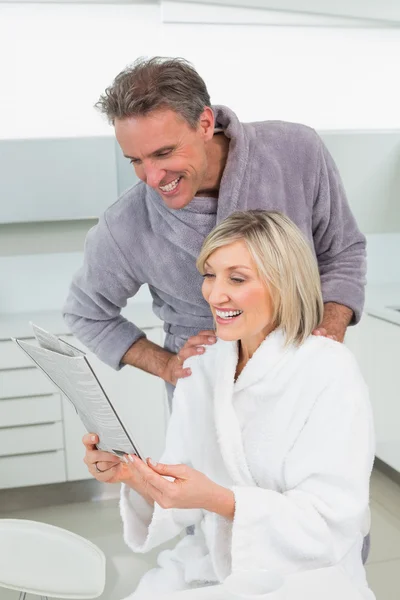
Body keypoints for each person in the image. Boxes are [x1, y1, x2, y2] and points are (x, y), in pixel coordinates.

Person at [83, 211, 375, 599]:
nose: (215, 294)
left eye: (236, 278)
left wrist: (218, 499)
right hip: (210, 561)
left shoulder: (328, 370)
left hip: (303, 576)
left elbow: (332, 524)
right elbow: (184, 488)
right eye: (210, 274)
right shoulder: (203, 364)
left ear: (284, 284)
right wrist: (134, 477)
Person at [63, 56, 366, 404]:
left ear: (205, 123)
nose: (152, 177)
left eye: (164, 153)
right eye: (135, 160)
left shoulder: (296, 151)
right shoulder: (126, 224)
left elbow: (342, 251)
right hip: (206, 394)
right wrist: (166, 365)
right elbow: (85, 313)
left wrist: (326, 332)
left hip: (304, 376)